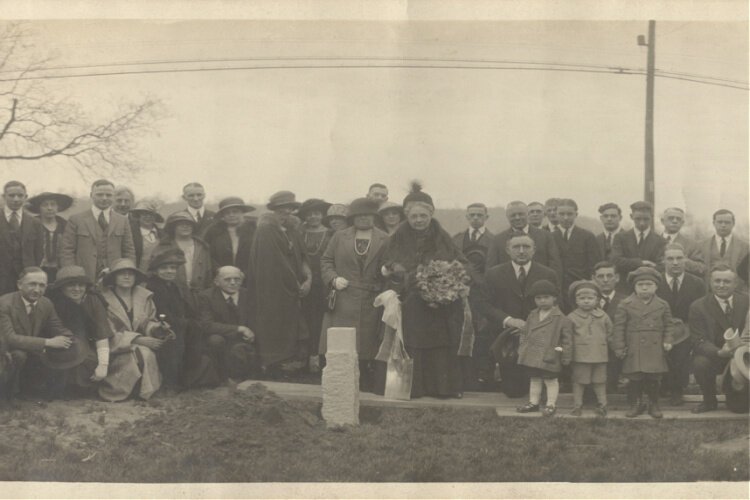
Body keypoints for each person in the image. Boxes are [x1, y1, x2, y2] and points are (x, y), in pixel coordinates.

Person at [380, 183, 471, 399]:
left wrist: (447, 278)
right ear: (407, 217)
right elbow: (389, 263)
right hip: (411, 300)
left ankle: (441, 388)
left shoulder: (442, 236)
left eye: (423, 215)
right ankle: (414, 388)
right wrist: (404, 274)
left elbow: (460, 262)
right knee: (413, 341)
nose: (419, 220)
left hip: (439, 304)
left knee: (440, 342)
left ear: (430, 214)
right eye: (414, 217)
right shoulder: (399, 237)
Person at [477, 234, 560, 397]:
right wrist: (509, 321)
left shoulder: (548, 274)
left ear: (534, 250)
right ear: (508, 250)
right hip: (506, 337)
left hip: (538, 337)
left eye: (526, 247)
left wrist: (531, 326)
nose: (521, 251)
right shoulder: (493, 274)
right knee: (513, 393)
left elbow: (557, 305)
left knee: (538, 388)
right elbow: (483, 304)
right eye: (516, 247)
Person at [319, 198, 388, 392]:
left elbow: (392, 262)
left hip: (372, 299)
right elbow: (326, 260)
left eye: (369, 215)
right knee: (342, 342)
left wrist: (386, 271)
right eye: (360, 215)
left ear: (375, 217)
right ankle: (340, 382)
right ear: (353, 217)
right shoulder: (340, 236)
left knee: (368, 343)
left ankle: (365, 381)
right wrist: (333, 278)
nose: (364, 218)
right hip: (344, 297)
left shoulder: (385, 238)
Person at [250, 191, 312, 371]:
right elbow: (275, 262)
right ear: (274, 210)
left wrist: (308, 279)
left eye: (289, 209)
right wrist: (294, 283)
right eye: (281, 209)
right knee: (274, 322)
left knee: (293, 323)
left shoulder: (293, 230)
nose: (286, 212)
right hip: (273, 288)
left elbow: (302, 256)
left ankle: (291, 362)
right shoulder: (266, 229)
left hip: (294, 288)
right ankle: (273, 364)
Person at [0, 267, 80, 400]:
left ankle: (35, 391)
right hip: (4, 351)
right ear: (19, 284)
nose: (37, 289)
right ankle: (6, 395)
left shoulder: (45, 303)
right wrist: (48, 342)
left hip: (27, 350)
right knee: (19, 355)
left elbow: (58, 327)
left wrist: (71, 340)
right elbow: (9, 339)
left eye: (42, 285)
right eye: (32, 284)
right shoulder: (4, 304)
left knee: (65, 350)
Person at [147, 247, 219, 390]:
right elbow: (162, 313)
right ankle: (172, 383)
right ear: (155, 271)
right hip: (162, 328)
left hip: (178, 325)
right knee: (176, 342)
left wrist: (193, 320)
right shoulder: (154, 287)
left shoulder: (172, 286)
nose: (169, 271)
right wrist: (187, 323)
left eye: (173, 268)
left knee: (198, 337)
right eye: (164, 268)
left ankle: (194, 379)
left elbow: (185, 308)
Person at [612, 266, 675, 418]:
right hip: (634, 346)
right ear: (634, 287)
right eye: (640, 285)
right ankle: (636, 404)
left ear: (656, 287)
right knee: (635, 377)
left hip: (655, 348)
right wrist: (619, 347)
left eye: (649, 285)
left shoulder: (663, 304)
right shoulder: (625, 304)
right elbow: (619, 327)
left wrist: (668, 340)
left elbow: (669, 325)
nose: (645, 288)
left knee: (654, 377)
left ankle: (654, 404)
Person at [99, 258, 163, 401]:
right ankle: (125, 391)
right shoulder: (103, 299)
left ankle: (144, 390)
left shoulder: (144, 296)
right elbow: (105, 332)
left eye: (131, 274)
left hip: (140, 345)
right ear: (113, 277)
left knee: (145, 352)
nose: (127, 277)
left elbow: (148, 321)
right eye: (122, 273)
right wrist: (137, 340)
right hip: (115, 350)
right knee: (142, 352)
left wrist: (155, 329)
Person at [688, 264, 749, 413]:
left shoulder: (747, 301)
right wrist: (719, 352)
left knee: (739, 409)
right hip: (716, 357)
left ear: (736, 283)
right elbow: (698, 340)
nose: (721, 285)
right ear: (710, 282)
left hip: (744, 359)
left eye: (727, 281)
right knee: (700, 362)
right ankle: (709, 401)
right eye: (717, 281)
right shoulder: (698, 306)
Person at [47, 265, 114, 396]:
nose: (77, 289)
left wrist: (103, 365)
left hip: (88, 345)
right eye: (71, 285)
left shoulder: (93, 300)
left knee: (90, 364)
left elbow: (101, 333)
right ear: (61, 287)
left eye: (81, 285)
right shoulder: (52, 302)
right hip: (59, 346)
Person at [656, 243, 707, 405]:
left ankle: (677, 389)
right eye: (670, 258)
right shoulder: (655, 280)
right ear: (663, 261)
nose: (675, 262)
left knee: (681, 353)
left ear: (686, 260)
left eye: (679, 258)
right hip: (659, 327)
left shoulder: (697, 283)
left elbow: (701, 311)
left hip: (687, 328)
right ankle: (660, 385)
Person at [60, 179, 136, 282]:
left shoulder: (122, 221)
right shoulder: (76, 219)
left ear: (113, 196)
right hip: (83, 275)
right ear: (91, 195)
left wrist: (128, 273)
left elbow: (129, 251)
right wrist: (71, 274)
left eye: (108, 195)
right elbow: (67, 250)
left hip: (114, 275)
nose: (104, 198)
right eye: (100, 194)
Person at [515, 279, 572, 417]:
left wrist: (564, 355)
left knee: (550, 380)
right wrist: (522, 348)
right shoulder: (532, 315)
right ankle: (533, 403)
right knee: (534, 378)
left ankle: (551, 404)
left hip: (550, 355)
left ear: (554, 298)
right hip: (533, 354)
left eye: (546, 297)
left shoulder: (561, 318)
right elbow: (525, 331)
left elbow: (567, 340)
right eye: (538, 298)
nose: (542, 301)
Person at [196, 266, 258, 382]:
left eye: (237, 279)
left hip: (244, 339)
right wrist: (240, 328)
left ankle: (247, 375)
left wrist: (251, 332)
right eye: (227, 279)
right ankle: (220, 377)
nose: (233, 283)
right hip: (221, 337)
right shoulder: (206, 296)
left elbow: (257, 318)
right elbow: (207, 325)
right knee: (215, 340)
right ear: (217, 282)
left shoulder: (248, 295)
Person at [296, 198, 333, 372]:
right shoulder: (298, 232)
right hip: (303, 281)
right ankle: (303, 357)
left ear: (322, 215)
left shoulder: (331, 233)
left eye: (317, 213)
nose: (313, 217)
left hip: (324, 283)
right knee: (303, 318)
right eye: (309, 214)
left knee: (320, 319)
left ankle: (318, 357)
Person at [567, 280, 613, 417]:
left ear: (597, 299)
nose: (586, 301)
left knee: (600, 381)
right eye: (582, 298)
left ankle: (603, 404)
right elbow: (567, 338)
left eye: (590, 298)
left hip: (600, 355)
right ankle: (577, 405)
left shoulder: (603, 316)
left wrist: (616, 348)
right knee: (579, 381)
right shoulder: (571, 318)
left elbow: (611, 333)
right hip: (581, 356)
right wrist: (567, 355)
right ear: (576, 300)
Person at [485, 201, 562, 281]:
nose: (517, 217)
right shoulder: (498, 239)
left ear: (527, 214)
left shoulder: (545, 236)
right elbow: (491, 269)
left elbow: (555, 266)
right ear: (507, 217)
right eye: (513, 215)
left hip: (539, 287)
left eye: (521, 214)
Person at [553, 198, 602, 311]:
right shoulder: (549, 237)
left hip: (581, 290)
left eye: (569, 214)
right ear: (556, 215)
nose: (565, 217)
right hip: (557, 291)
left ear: (576, 214)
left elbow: (594, 266)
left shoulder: (587, 236)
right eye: (562, 214)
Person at [0, 181, 44, 295]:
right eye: (11, 195)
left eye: (20, 195)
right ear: (3, 197)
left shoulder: (35, 222)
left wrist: (31, 273)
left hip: (25, 278)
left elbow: (38, 253)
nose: (16, 199)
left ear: (26, 197)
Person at [155, 211, 214, 293]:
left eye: (189, 224)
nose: (185, 227)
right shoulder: (164, 246)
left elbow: (208, 273)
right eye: (181, 224)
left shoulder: (202, 247)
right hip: (172, 292)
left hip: (199, 294)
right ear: (173, 227)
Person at [611, 201, 666, 288]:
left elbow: (662, 266)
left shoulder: (660, 241)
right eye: (638, 219)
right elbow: (616, 261)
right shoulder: (620, 238)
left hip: (651, 287)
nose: (642, 223)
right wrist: (641, 263)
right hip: (625, 287)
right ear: (631, 216)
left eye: (646, 219)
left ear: (651, 217)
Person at [591, 261, 627, 392]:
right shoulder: (586, 300)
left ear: (617, 278)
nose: (605, 280)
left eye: (609, 276)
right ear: (593, 279)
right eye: (600, 276)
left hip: (617, 353)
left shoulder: (626, 301)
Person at [25, 191, 74, 284]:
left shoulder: (66, 226)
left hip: (61, 270)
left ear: (58, 207)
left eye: (53, 204)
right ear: (39, 208)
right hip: (37, 270)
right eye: (45, 205)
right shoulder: (31, 225)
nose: (49, 208)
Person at [204, 197, 257, 277]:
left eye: (235, 212)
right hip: (222, 276)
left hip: (251, 276)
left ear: (242, 212)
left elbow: (260, 255)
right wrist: (219, 270)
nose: (231, 215)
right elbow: (207, 254)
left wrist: (246, 273)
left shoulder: (255, 230)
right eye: (227, 213)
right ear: (223, 216)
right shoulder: (213, 231)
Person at [699, 209, 749, 285]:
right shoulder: (701, 245)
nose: (723, 225)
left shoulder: (746, 247)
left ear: (733, 224)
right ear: (714, 223)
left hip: (737, 291)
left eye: (727, 222)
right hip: (708, 290)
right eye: (720, 222)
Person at [660, 207, 705, 277]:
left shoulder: (692, 244)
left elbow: (701, 268)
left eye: (678, 219)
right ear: (662, 221)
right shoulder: (654, 242)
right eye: (671, 218)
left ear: (682, 223)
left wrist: (684, 261)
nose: (675, 221)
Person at [130, 199, 164, 272]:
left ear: (155, 217)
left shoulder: (162, 234)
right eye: (144, 214)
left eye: (151, 214)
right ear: (139, 215)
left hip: (158, 274)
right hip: (138, 273)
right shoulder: (131, 233)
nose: (148, 217)